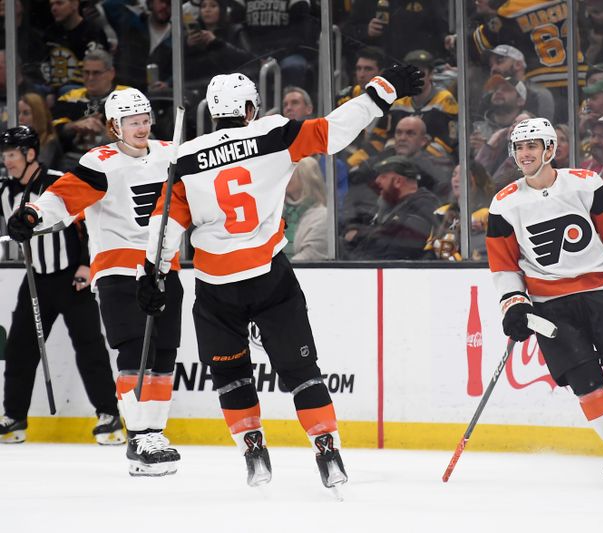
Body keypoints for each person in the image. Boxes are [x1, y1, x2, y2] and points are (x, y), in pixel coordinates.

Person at [134, 66, 423, 488]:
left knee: (231, 376)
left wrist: (152, 275)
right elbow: (334, 132)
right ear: (250, 107)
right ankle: (327, 451)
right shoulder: (273, 133)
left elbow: (165, 224)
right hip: (269, 277)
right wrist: (382, 91)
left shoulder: (185, 157)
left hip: (216, 286)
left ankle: (254, 453)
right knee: (302, 371)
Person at [485, 117, 603, 488]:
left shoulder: (586, 184)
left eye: (532, 146)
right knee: (583, 379)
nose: (524, 154)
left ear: (549, 149)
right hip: (549, 307)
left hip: (601, 294)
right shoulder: (503, 204)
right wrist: (514, 303)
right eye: (519, 148)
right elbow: (503, 265)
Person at [6, 88, 184, 477]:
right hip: (120, 271)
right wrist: (34, 213)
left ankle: (154, 431)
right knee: (136, 350)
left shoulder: (172, 152)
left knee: (164, 353)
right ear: (114, 126)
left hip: (165, 269)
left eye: (144, 119)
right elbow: (64, 195)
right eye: (131, 121)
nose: (140, 126)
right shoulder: (101, 162)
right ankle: (137, 435)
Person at [0, 125, 122, 446]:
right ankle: (14, 417)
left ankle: (109, 416)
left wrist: (86, 264)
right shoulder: (5, 190)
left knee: (90, 347)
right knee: (20, 348)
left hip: (72, 278)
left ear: (29, 154)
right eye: (4, 156)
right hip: (36, 278)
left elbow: (90, 220)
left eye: (11, 155)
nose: (7, 162)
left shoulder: (58, 181)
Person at [343, 155, 438, 260]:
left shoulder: (423, 206)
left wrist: (358, 236)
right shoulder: (390, 205)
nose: (377, 181)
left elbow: (393, 249)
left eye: (383, 176)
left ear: (398, 181)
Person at [52, 49, 125, 169]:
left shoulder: (127, 95)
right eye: (86, 72)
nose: (90, 78)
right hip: (73, 160)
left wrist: (105, 132)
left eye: (96, 73)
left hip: (114, 160)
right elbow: (52, 127)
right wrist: (75, 125)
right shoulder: (69, 97)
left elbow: (141, 133)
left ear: (111, 73)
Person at [284, 157, 329, 261]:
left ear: (306, 177)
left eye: (292, 172)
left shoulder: (322, 216)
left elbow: (311, 255)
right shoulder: (279, 211)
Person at [17, 93, 63, 170]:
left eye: (26, 113)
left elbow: (37, 171)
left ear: (38, 115)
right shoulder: (21, 140)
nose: (20, 118)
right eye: (19, 113)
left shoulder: (49, 141)